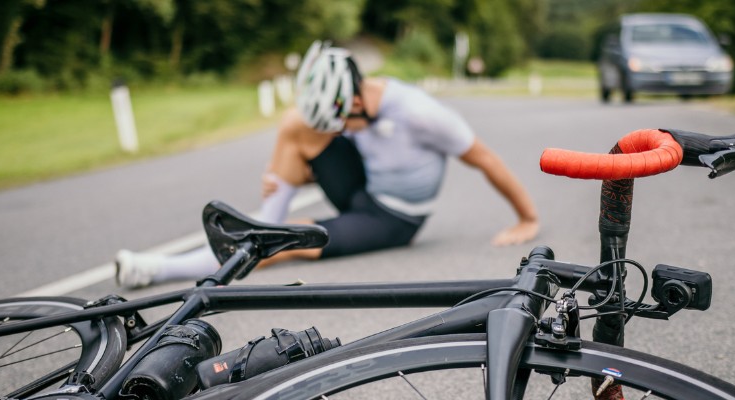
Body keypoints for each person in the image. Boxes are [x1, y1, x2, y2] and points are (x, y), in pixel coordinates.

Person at [115, 41, 539, 289]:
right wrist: (285, 173)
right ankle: (267, 220)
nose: (340, 130)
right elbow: (324, 134)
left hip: (394, 218)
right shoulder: (349, 107)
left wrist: (527, 218)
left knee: (287, 244)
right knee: (294, 127)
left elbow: (485, 159)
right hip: (364, 187)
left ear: (356, 100)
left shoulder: (418, 113)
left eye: (342, 124)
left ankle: (158, 269)